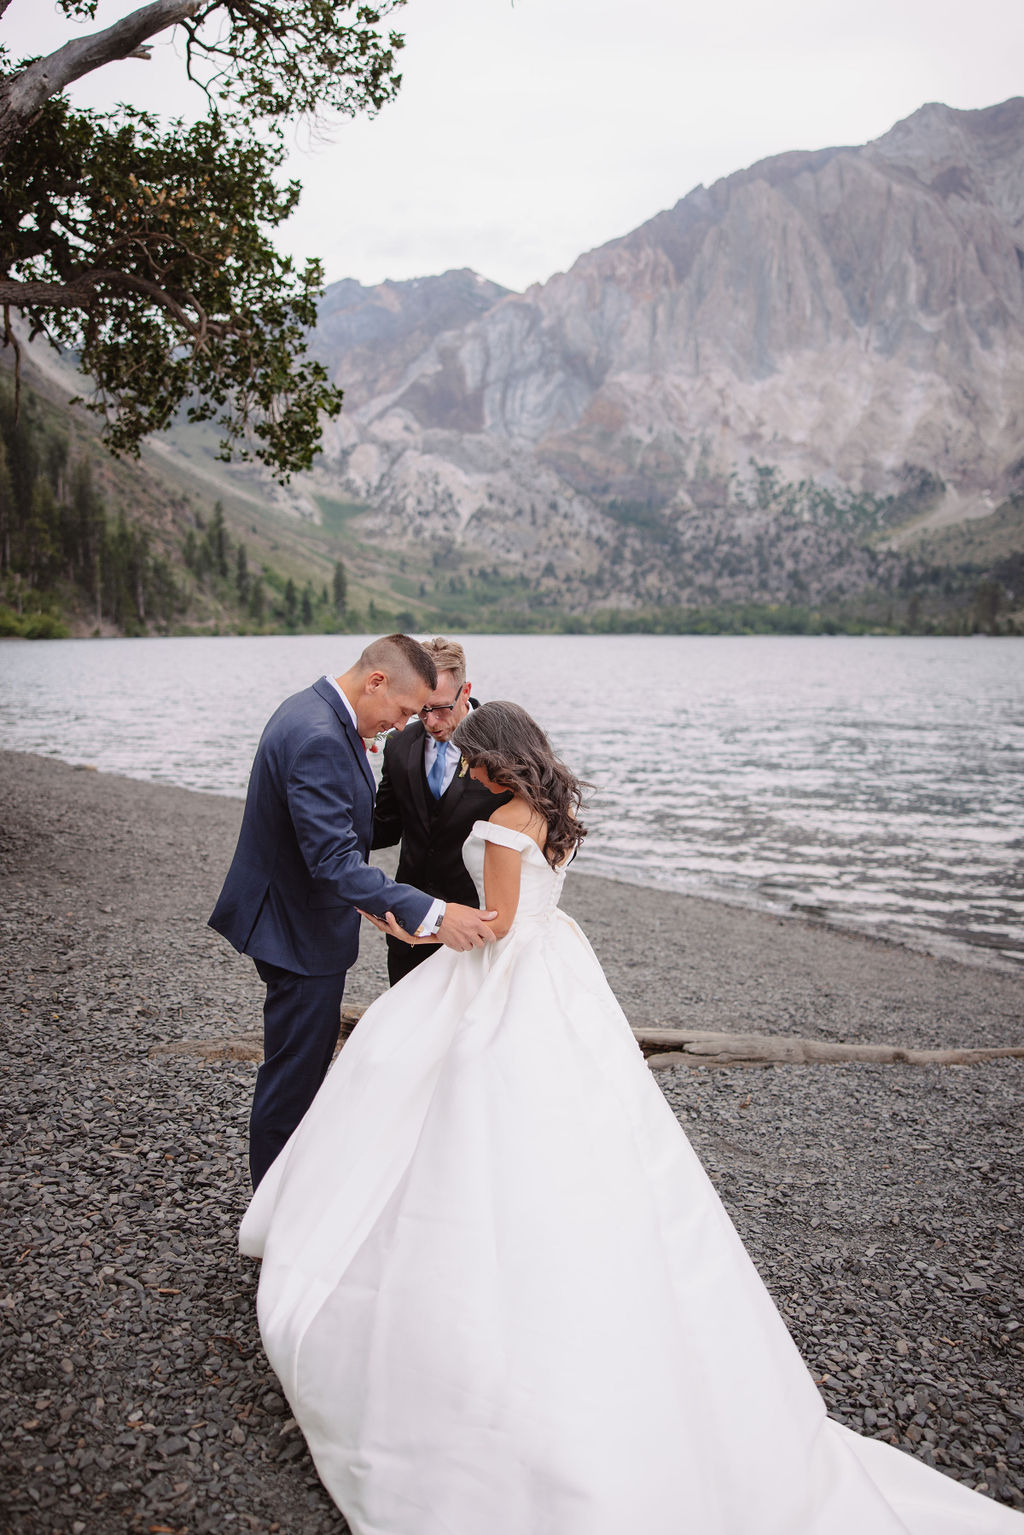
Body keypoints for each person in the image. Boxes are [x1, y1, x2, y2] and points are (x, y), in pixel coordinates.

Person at [239, 702, 1023, 1535]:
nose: (468, 774)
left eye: (475, 762)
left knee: (437, 1089)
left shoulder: (506, 825)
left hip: (507, 975)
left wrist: (408, 918)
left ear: (501, 758)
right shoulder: (552, 811)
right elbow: (535, 912)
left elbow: (495, 928)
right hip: (560, 969)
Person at [208, 635, 498, 1189]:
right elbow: (335, 860)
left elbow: (347, 832)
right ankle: (273, 1215)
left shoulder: (310, 709)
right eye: (405, 711)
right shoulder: (319, 735)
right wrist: (432, 913)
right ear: (376, 682)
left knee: (299, 1066)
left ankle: (287, 1199)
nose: (402, 725)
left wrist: (372, 895)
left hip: (300, 915)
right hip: (297, 928)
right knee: (294, 1076)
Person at [372, 636, 512, 985]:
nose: (431, 722)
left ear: (466, 691)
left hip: (478, 926)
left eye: (442, 708)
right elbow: (385, 826)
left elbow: (537, 826)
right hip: (411, 924)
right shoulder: (399, 743)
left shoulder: (506, 743)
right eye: (422, 709)